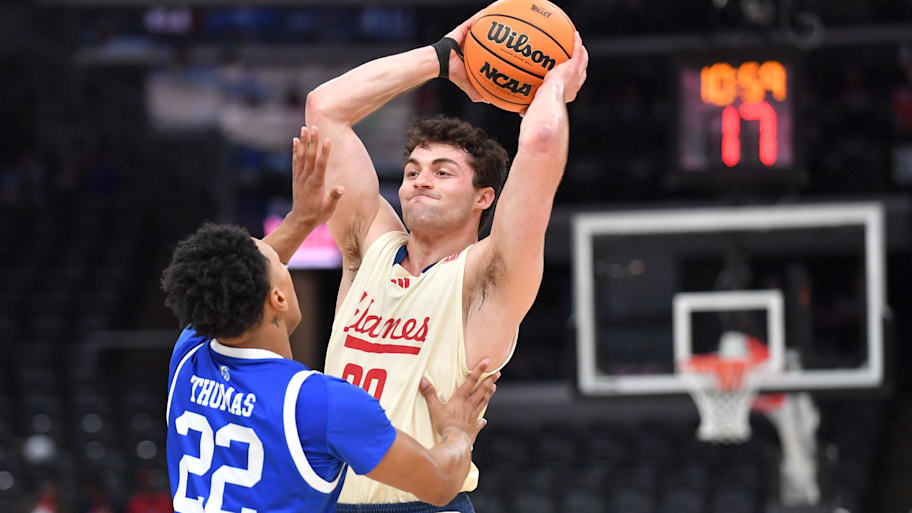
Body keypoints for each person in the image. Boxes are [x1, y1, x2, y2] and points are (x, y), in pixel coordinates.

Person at [304, 6, 589, 512]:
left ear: (484, 197)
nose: (419, 180)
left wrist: (552, 86)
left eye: (442, 171)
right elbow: (325, 108)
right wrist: (442, 55)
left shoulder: (487, 279)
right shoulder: (369, 248)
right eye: (412, 170)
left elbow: (542, 141)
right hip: (330, 503)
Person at [161, 128, 498, 513]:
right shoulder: (317, 402)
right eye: (278, 265)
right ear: (279, 297)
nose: (279, 256)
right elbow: (439, 486)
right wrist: (457, 432)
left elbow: (232, 276)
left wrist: (303, 220)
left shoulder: (189, 355)